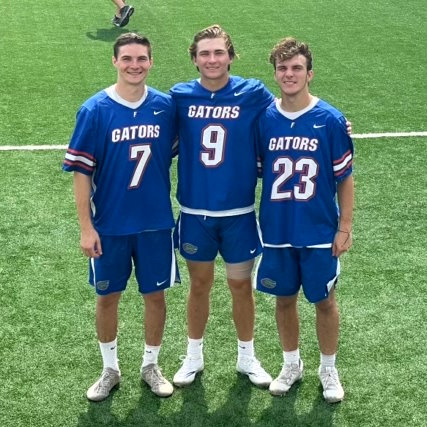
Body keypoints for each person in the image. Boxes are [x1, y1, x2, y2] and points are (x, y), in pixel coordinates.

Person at [63, 32, 178, 401]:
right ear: (115, 62)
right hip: (110, 225)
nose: (134, 65)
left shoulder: (165, 107)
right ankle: (109, 368)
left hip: (156, 223)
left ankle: (150, 364)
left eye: (141, 59)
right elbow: (82, 174)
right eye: (127, 59)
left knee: (155, 296)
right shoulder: (94, 110)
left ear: (151, 62)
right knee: (107, 297)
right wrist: (86, 227)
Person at [170, 24, 275, 388]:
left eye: (218, 52)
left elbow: (287, 114)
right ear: (194, 58)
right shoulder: (179, 96)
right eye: (204, 53)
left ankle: (247, 357)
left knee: (240, 287)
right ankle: (193, 356)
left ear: (230, 55)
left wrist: (334, 124)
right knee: (199, 285)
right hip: (195, 212)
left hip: (239, 212)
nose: (212, 59)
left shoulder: (253, 93)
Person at [255, 37, 354, 403]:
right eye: (283, 68)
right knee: (284, 299)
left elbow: (345, 178)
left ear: (309, 73)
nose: (289, 74)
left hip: (318, 229)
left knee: (324, 299)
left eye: (296, 68)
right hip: (278, 228)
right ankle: (291, 363)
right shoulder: (264, 119)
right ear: (276, 75)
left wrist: (345, 226)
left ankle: (328, 367)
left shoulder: (329, 119)